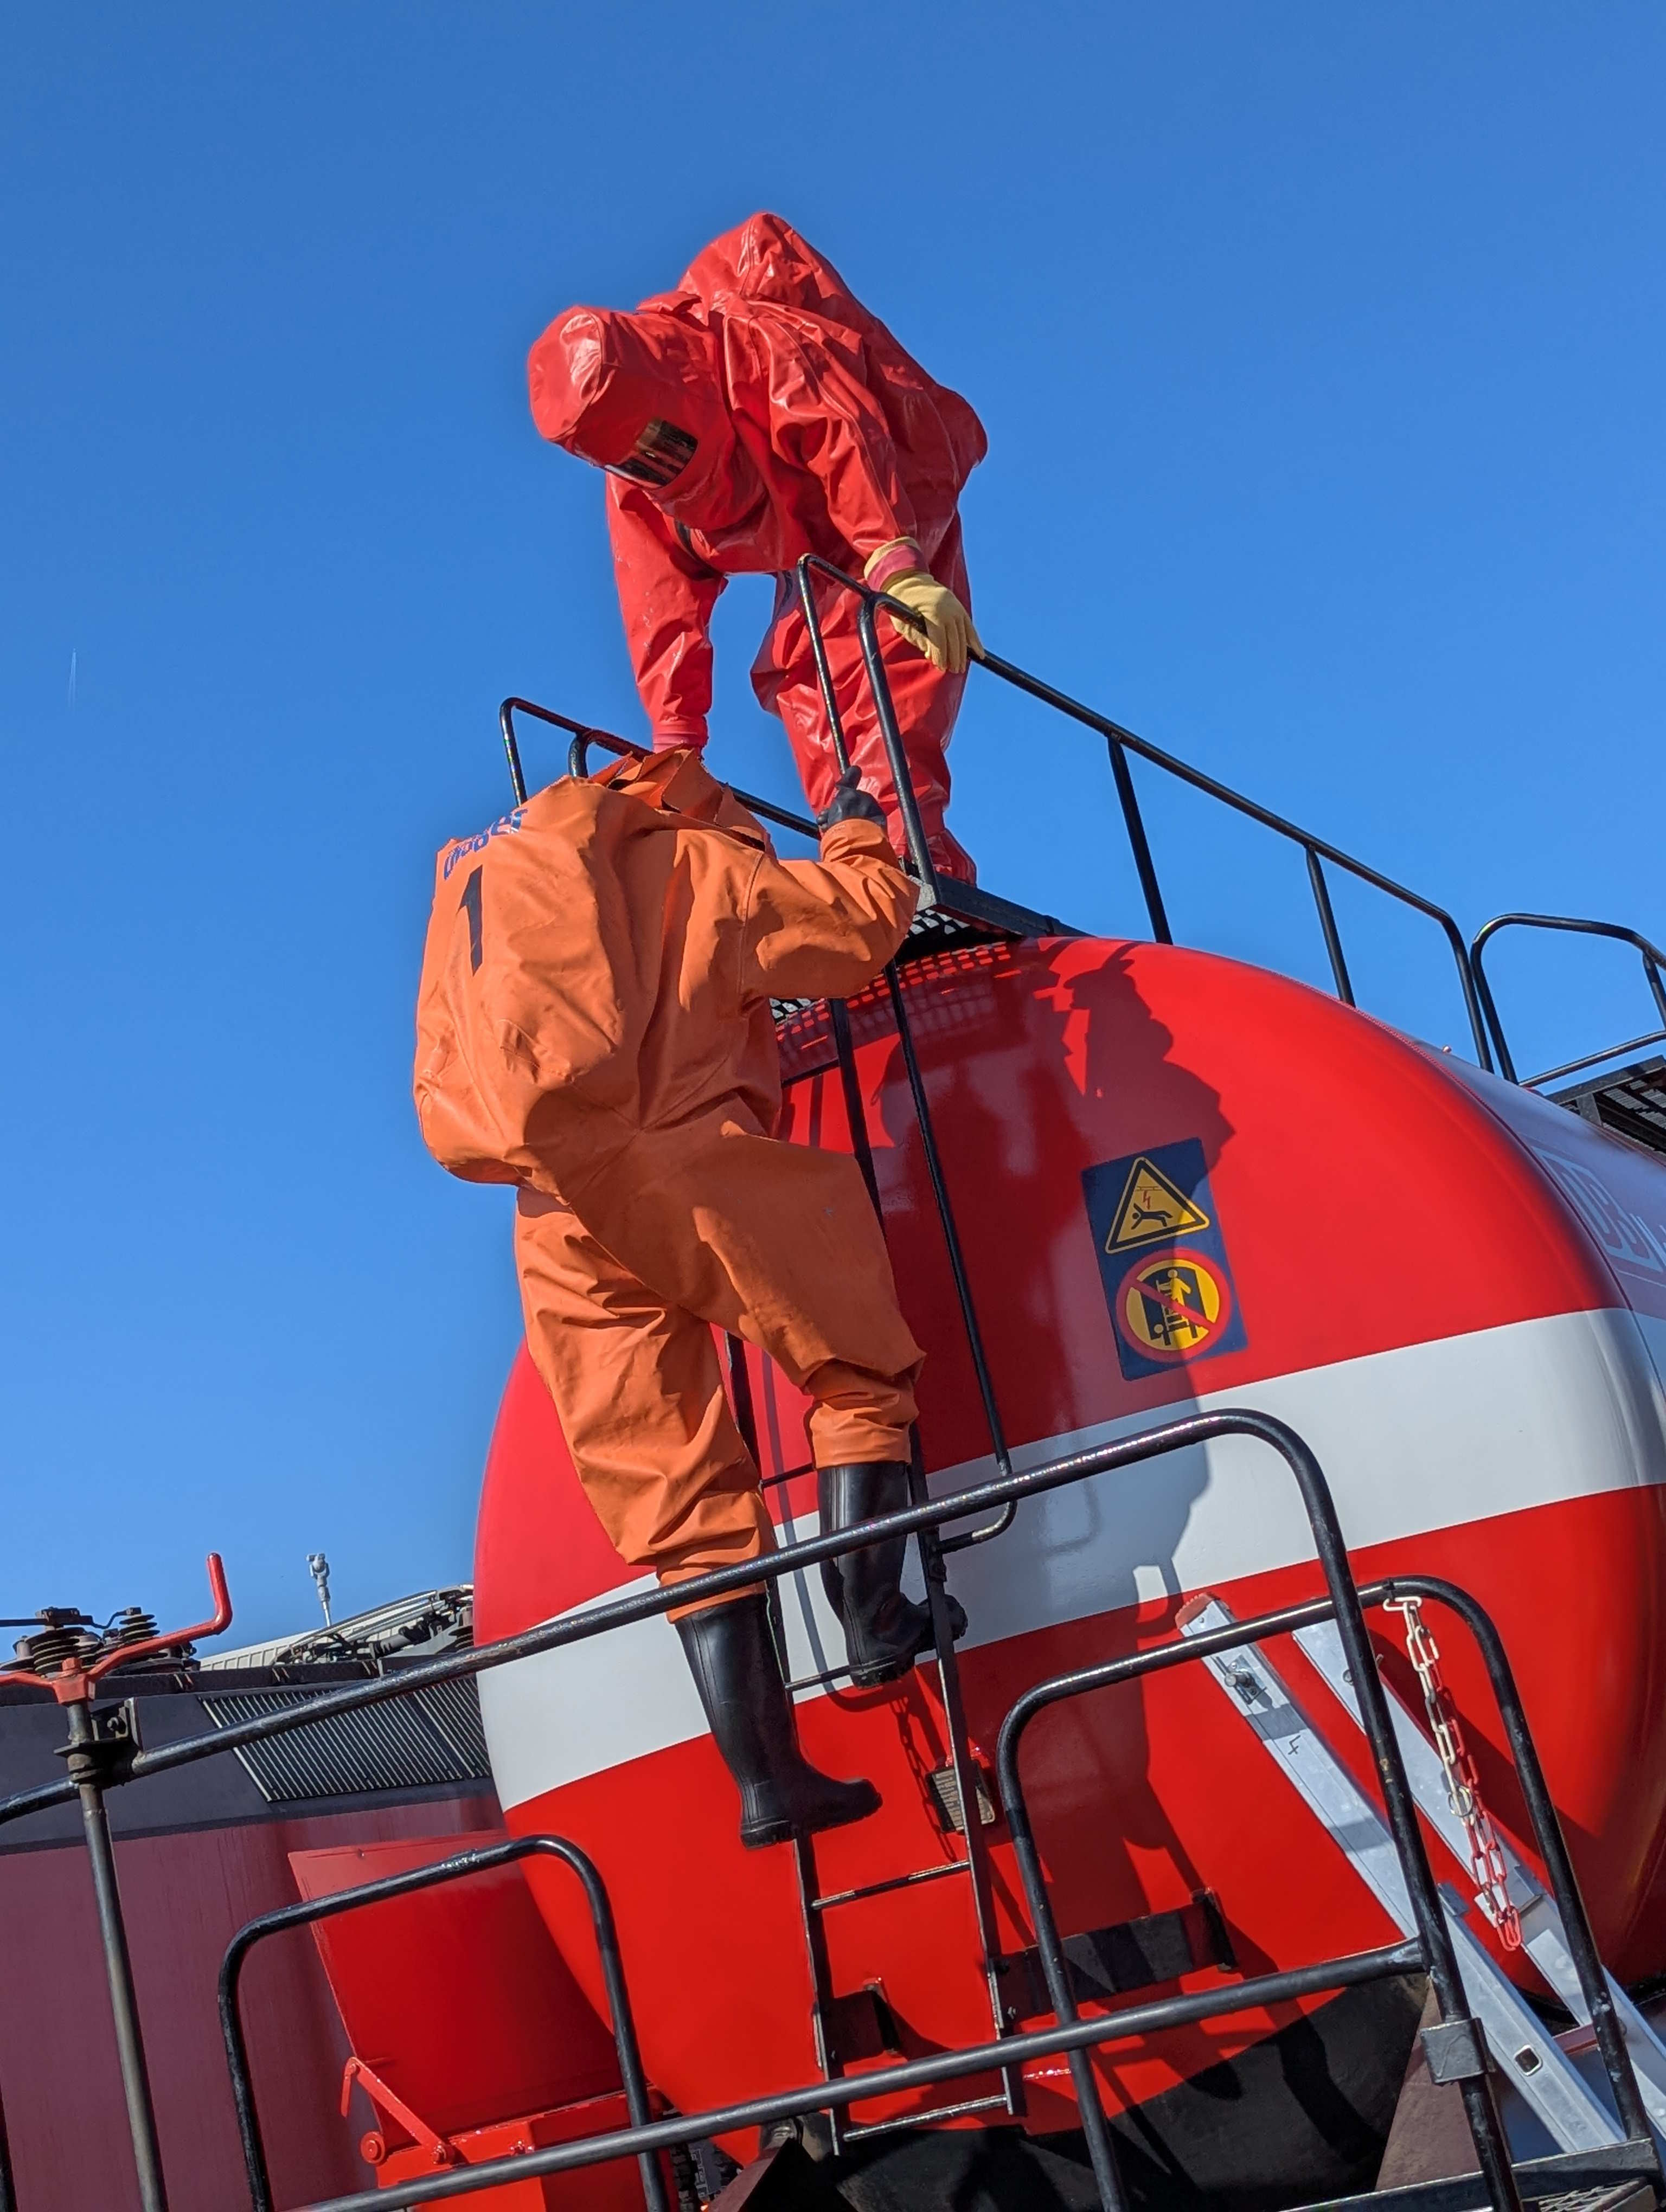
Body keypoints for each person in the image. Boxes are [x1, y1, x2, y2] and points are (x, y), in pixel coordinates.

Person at [414, 747, 964, 1847]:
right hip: (684, 1159)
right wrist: (857, 833)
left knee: (677, 1500)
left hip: (549, 1216)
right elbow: (858, 932)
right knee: (856, 1362)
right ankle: (872, 1613)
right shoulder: (682, 862)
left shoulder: (480, 899)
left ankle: (768, 1781)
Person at [526, 211, 987, 883]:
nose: (657, 461)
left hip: (896, 475)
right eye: (640, 458)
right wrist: (677, 744)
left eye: (661, 442)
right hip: (804, 536)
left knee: (886, 644)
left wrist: (898, 563)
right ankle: (861, 846)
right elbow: (657, 600)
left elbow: (845, 435)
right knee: (801, 673)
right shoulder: (634, 480)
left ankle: (909, 859)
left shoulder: (754, 350)